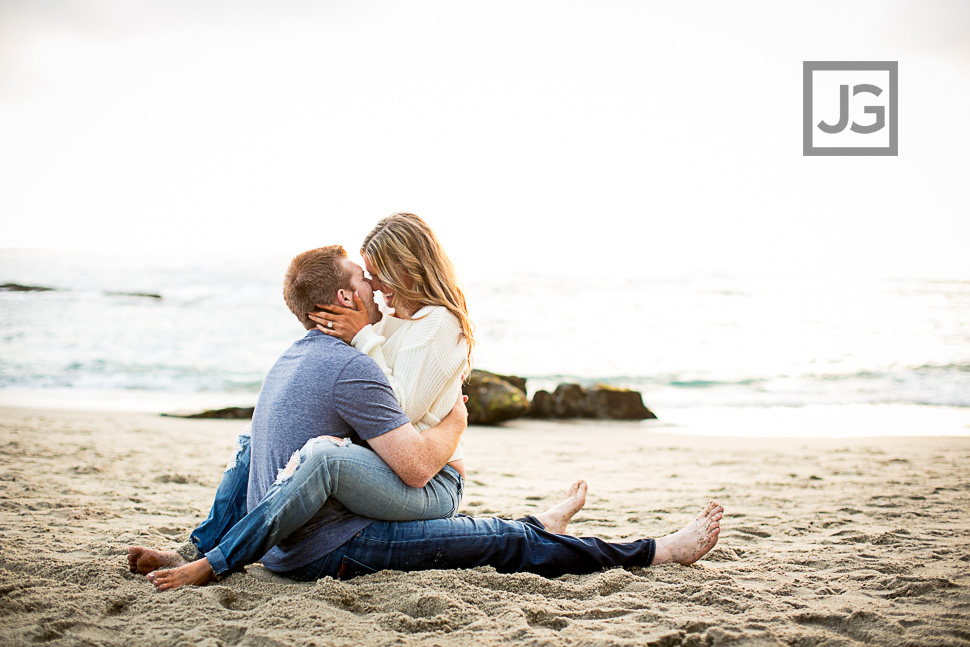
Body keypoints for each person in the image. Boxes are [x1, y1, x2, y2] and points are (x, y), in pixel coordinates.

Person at [135, 242, 725, 590]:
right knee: (498, 540)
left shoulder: (291, 359)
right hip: (335, 547)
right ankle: (653, 551)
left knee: (258, 444)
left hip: (300, 544)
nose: (374, 284)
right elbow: (417, 470)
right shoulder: (353, 368)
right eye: (363, 278)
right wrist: (456, 426)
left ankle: (542, 522)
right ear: (344, 299)